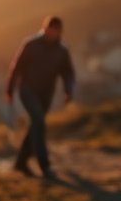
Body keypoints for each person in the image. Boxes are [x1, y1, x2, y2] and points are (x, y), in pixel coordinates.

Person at [4, 16, 76, 180]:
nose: (52, 34)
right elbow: (16, 68)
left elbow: (68, 72)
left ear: (60, 32)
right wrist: (9, 90)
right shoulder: (30, 45)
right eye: (49, 30)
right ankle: (45, 166)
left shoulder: (62, 51)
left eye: (55, 31)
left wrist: (68, 90)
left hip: (46, 94)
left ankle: (20, 163)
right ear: (45, 29)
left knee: (36, 125)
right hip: (27, 90)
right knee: (39, 122)